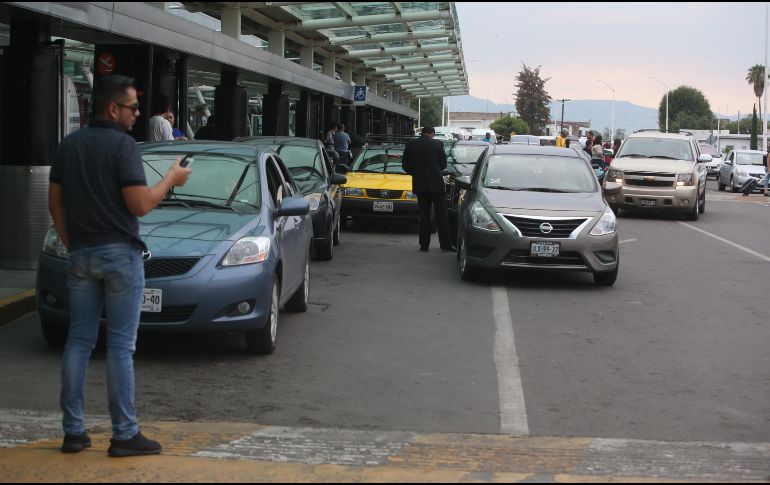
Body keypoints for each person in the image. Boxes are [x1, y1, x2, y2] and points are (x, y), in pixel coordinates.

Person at [48, 74, 191, 457]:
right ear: (113, 108)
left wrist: (73, 244)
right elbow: (141, 204)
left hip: (81, 254)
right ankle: (124, 434)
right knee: (120, 347)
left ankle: (73, 432)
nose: (137, 114)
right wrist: (171, 179)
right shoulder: (123, 147)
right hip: (120, 256)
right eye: (132, 108)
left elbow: (55, 204)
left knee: (77, 343)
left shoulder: (69, 146)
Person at [401, 126, 454, 252]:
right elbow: (443, 164)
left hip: (420, 185)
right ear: (432, 134)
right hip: (436, 185)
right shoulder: (438, 144)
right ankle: (445, 244)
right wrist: (435, 171)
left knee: (424, 215)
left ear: (422, 133)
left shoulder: (411, 144)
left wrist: (416, 173)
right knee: (441, 215)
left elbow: (405, 165)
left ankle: (424, 245)